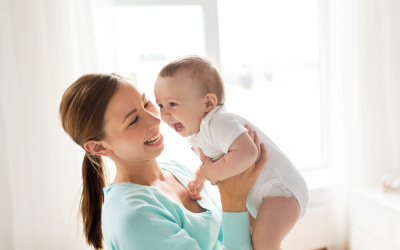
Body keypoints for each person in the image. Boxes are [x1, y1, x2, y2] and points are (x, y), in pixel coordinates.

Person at [59, 73, 267, 250]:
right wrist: (233, 198)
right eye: (133, 120)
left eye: (146, 104)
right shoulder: (135, 219)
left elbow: (227, 237)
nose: (157, 120)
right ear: (99, 147)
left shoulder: (176, 171)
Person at [154, 55, 309, 250]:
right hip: (266, 195)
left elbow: (247, 153)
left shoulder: (220, 123)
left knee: (264, 243)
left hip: (282, 192)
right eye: (160, 105)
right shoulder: (201, 132)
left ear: (208, 103)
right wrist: (200, 176)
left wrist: (212, 173)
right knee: (250, 241)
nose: (164, 114)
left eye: (172, 104)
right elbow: (215, 160)